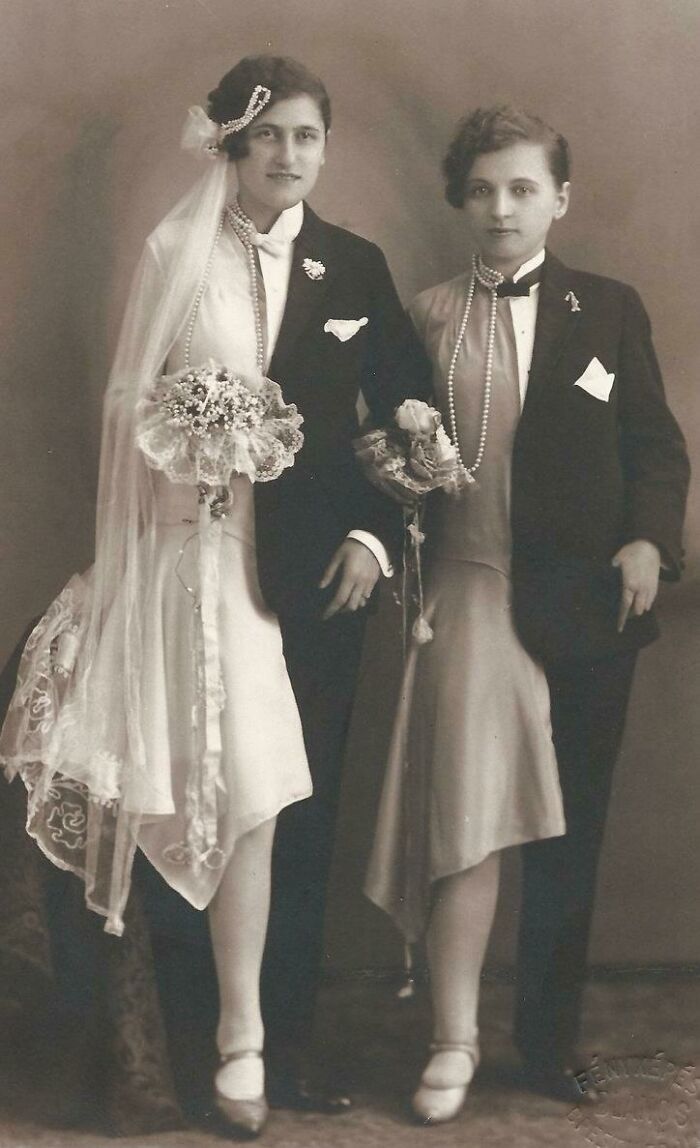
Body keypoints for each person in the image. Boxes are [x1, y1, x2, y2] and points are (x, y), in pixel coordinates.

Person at [0, 56, 431, 1137]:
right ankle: (196, 1047)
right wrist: (187, 445)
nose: (290, 154)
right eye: (270, 135)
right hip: (190, 558)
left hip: (311, 581)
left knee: (283, 806)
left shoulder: (354, 265)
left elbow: (401, 410)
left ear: (324, 149)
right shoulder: (172, 255)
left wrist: (376, 537)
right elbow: (127, 410)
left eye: (306, 135)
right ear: (231, 148)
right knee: (192, 784)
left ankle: (267, 1047)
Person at [365, 105, 689, 1123]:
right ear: (459, 200)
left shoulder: (609, 308)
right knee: (465, 827)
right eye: (482, 190)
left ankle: (543, 1040)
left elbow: (655, 448)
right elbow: (387, 453)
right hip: (470, 588)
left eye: (521, 188)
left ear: (559, 197)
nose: (501, 207)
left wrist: (647, 540)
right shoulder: (424, 315)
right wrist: (392, 474)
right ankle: (451, 1038)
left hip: (587, 603)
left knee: (569, 833)